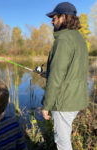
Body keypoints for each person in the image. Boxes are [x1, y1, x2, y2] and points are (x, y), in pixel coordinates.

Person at [41, 2, 89, 150]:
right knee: (64, 137)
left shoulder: (62, 40)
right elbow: (72, 70)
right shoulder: (79, 39)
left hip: (64, 101)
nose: (52, 21)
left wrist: (46, 106)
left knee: (62, 142)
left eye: (54, 17)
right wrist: (48, 73)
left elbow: (56, 77)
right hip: (77, 98)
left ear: (63, 17)